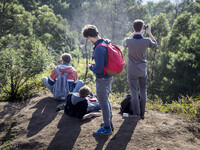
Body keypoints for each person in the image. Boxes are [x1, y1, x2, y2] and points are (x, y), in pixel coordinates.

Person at [82, 24, 113, 135]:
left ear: (90, 36)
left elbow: (99, 69)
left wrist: (90, 67)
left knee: (103, 103)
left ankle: (107, 127)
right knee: (106, 100)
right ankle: (108, 122)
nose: (88, 40)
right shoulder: (105, 42)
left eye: (88, 38)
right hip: (109, 76)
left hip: (102, 79)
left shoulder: (99, 48)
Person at [124, 19, 158, 120]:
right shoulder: (147, 41)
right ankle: (142, 113)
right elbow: (155, 44)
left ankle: (136, 114)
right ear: (143, 29)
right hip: (142, 70)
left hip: (132, 70)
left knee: (134, 91)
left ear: (134, 28)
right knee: (143, 91)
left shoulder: (129, 41)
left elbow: (125, 42)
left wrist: (134, 32)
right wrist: (149, 33)